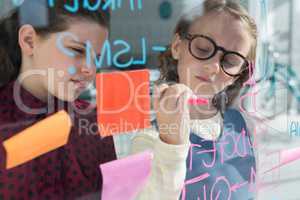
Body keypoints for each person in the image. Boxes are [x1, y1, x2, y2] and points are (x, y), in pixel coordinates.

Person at [130, 0, 258, 199]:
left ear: (239, 74)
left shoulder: (242, 127)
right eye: (203, 49)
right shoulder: (149, 139)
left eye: (230, 61)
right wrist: (171, 144)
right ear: (177, 47)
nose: (213, 66)